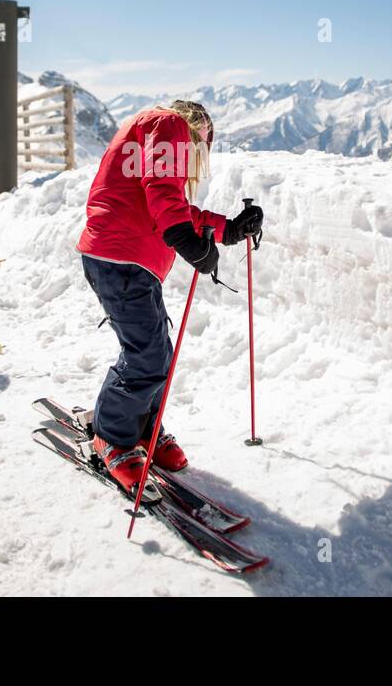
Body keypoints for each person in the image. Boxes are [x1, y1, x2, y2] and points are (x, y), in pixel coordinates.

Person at [76, 100, 264, 492]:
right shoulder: (171, 123)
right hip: (121, 256)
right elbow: (164, 192)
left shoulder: (149, 133)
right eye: (202, 149)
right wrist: (187, 242)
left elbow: (168, 201)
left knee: (157, 351)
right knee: (148, 355)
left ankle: (143, 427)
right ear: (200, 133)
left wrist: (227, 229)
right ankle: (112, 434)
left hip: (122, 256)